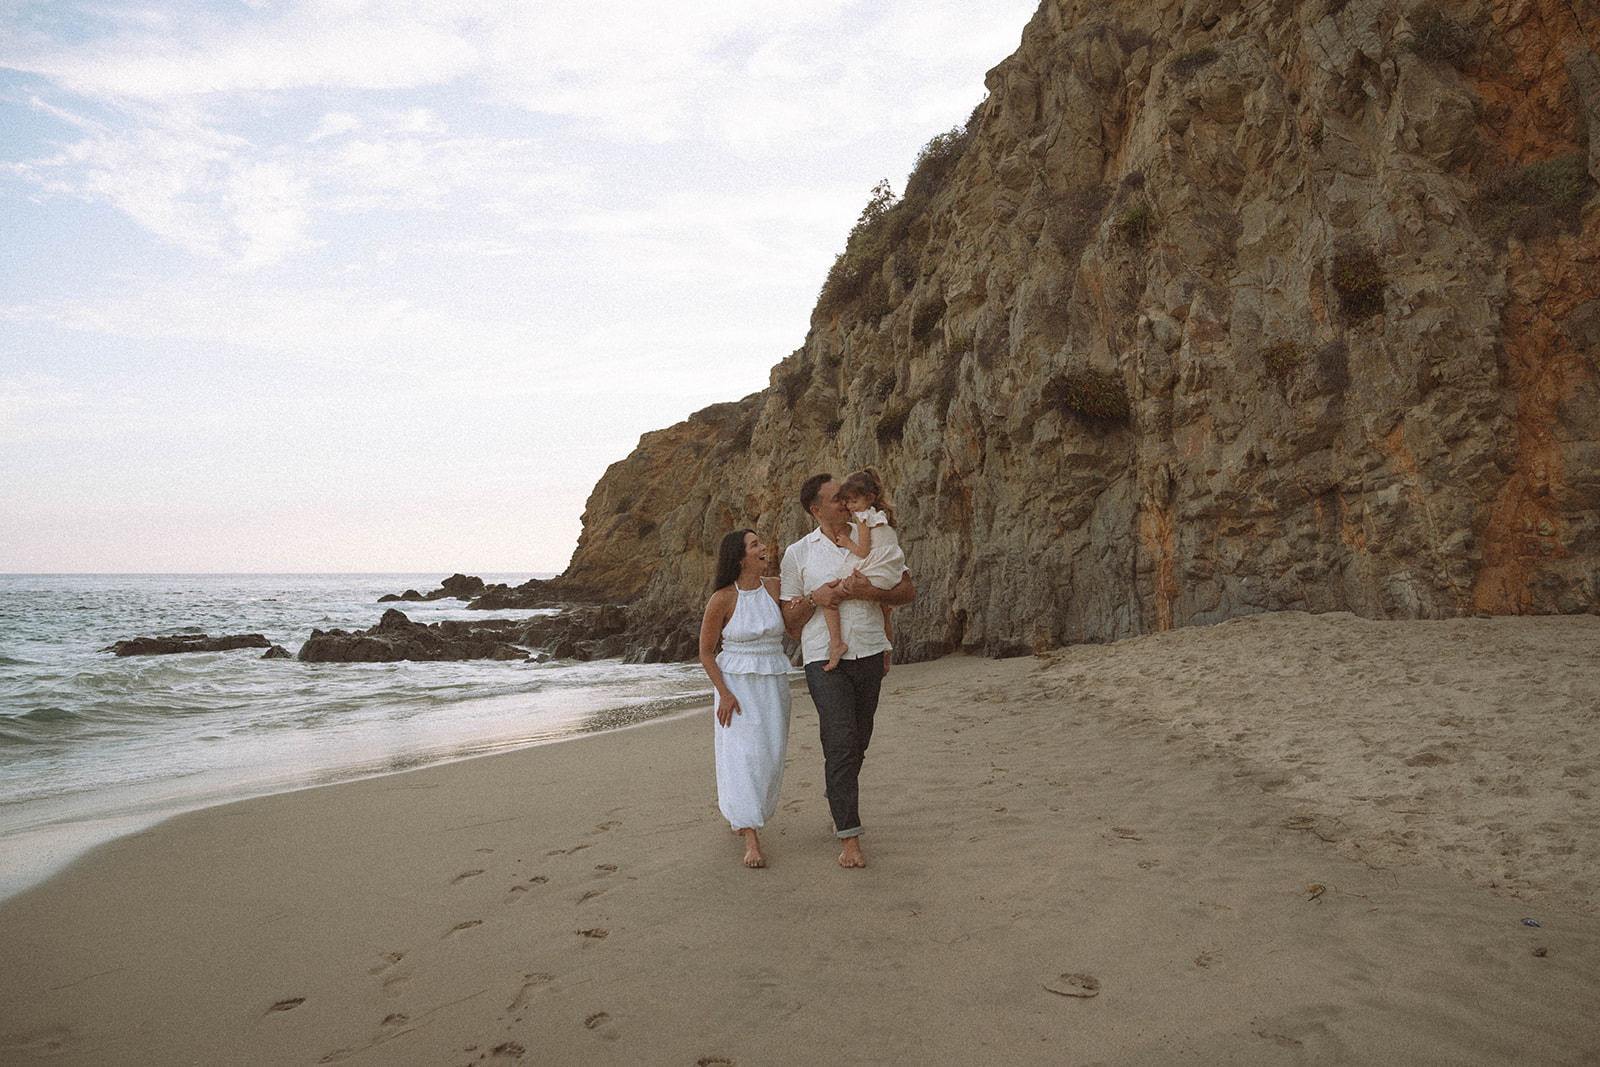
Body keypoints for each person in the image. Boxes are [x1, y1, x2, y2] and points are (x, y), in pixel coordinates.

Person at [780, 473, 916, 868]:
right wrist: (814, 596)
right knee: (839, 740)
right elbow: (791, 623)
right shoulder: (799, 553)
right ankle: (850, 837)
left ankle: (836, 796)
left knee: (858, 741)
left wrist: (867, 592)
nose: (845, 502)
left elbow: (906, 591)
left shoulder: (874, 533)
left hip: (871, 650)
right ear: (816, 509)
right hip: (823, 658)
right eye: (836, 498)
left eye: (846, 496)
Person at [698, 529, 792, 868]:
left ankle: (744, 813)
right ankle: (751, 838)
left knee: (770, 755)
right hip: (735, 687)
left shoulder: (776, 587)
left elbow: (796, 621)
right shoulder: (722, 598)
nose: (763, 547)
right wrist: (723, 694)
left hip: (773, 682)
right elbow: (706, 652)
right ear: (740, 558)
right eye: (755, 545)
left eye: (761, 542)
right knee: (743, 757)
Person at [819, 466, 905, 672]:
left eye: (853, 501)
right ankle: (886, 654)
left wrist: (848, 543)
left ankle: (837, 644)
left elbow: (864, 551)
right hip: (891, 567)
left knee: (830, 595)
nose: (849, 506)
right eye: (847, 501)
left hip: (878, 570)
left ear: (870, 498)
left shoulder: (863, 517)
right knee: (884, 611)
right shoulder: (880, 514)